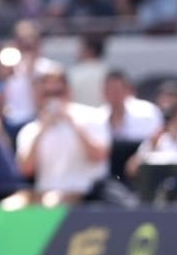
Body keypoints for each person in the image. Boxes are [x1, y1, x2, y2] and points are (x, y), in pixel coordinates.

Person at [9, 64, 110, 208]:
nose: (53, 98)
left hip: (84, 191)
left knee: (52, 202)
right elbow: (26, 169)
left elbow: (98, 156)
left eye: (58, 93)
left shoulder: (92, 118)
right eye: (47, 94)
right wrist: (43, 129)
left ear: (68, 91)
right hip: (42, 192)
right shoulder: (31, 129)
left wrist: (72, 122)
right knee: (10, 207)